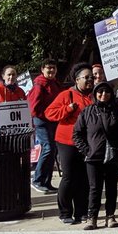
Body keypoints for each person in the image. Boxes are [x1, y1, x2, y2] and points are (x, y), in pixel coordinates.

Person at [73, 82, 118, 230]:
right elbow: (77, 134)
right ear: (95, 93)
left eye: (106, 92)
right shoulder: (87, 111)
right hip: (94, 156)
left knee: (111, 187)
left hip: (114, 155)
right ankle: (92, 217)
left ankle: (110, 216)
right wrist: (86, 150)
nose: (103, 94)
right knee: (94, 188)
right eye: (100, 92)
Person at [45, 63, 96, 224]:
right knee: (69, 177)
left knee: (84, 179)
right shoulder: (66, 95)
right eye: (86, 77)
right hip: (67, 142)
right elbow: (49, 113)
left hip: (87, 143)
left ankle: (82, 212)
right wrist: (67, 109)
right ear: (77, 79)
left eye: (91, 77)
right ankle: (65, 212)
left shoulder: (94, 96)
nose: (90, 80)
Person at [27, 59, 63, 194]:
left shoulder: (54, 84)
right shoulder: (39, 85)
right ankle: (37, 180)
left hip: (53, 121)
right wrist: (46, 115)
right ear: (42, 69)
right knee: (48, 148)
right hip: (42, 121)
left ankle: (46, 182)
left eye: (53, 68)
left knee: (52, 150)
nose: (51, 70)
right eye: (48, 68)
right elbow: (33, 107)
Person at [0, 64, 26, 130]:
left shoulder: (20, 91)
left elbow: (25, 110)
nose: (11, 77)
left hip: (18, 131)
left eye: (13, 74)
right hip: (0, 131)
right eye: (9, 75)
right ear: (3, 76)